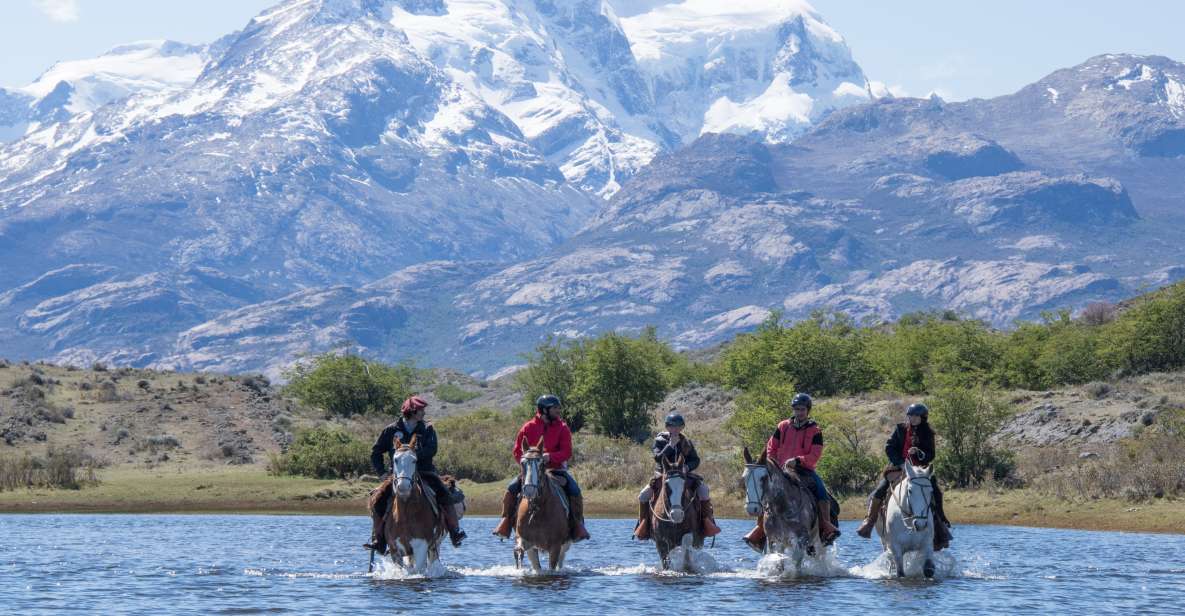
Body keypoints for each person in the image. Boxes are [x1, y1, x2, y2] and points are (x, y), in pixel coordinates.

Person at [365, 396, 466, 554]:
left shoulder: (427, 429)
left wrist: (412, 453)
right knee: (377, 500)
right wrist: (382, 473)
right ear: (411, 412)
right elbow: (375, 453)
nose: (423, 413)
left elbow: (432, 449)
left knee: (445, 494)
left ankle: (455, 531)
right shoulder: (391, 430)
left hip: (425, 472)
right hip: (398, 475)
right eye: (421, 410)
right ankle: (378, 539)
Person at [742, 392, 841, 552]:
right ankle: (761, 528)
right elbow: (771, 447)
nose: (799, 412)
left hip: (804, 470)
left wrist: (798, 460)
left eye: (802, 409)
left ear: (807, 411)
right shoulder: (783, 426)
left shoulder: (815, 430)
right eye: (796, 409)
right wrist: (773, 463)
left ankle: (825, 525)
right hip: (780, 470)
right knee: (766, 493)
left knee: (822, 492)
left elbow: (815, 454)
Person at [491, 394, 590, 542]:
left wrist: (550, 457)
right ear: (544, 410)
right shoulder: (528, 427)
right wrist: (527, 465)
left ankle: (577, 526)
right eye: (555, 408)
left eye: (558, 408)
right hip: (530, 471)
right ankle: (505, 523)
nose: (558, 411)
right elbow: (517, 451)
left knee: (575, 490)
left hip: (555, 470)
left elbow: (567, 452)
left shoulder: (563, 428)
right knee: (511, 489)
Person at [855, 402, 952, 549]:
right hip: (898, 468)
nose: (912, 418)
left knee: (936, 492)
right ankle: (870, 521)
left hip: (920, 470)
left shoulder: (928, 433)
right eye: (910, 415)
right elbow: (889, 447)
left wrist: (919, 453)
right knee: (880, 490)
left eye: (915, 416)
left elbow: (931, 454)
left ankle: (941, 524)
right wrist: (900, 463)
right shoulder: (900, 429)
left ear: (923, 418)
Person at [632, 412, 721, 540]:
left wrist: (687, 467)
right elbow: (658, 458)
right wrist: (670, 445)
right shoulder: (659, 441)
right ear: (667, 427)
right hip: (662, 475)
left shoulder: (686, 442)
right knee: (643, 495)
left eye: (679, 426)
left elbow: (695, 460)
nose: (676, 429)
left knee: (704, 491)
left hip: (684, 475)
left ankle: (706, 524)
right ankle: (644, 528)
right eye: (673, 426)